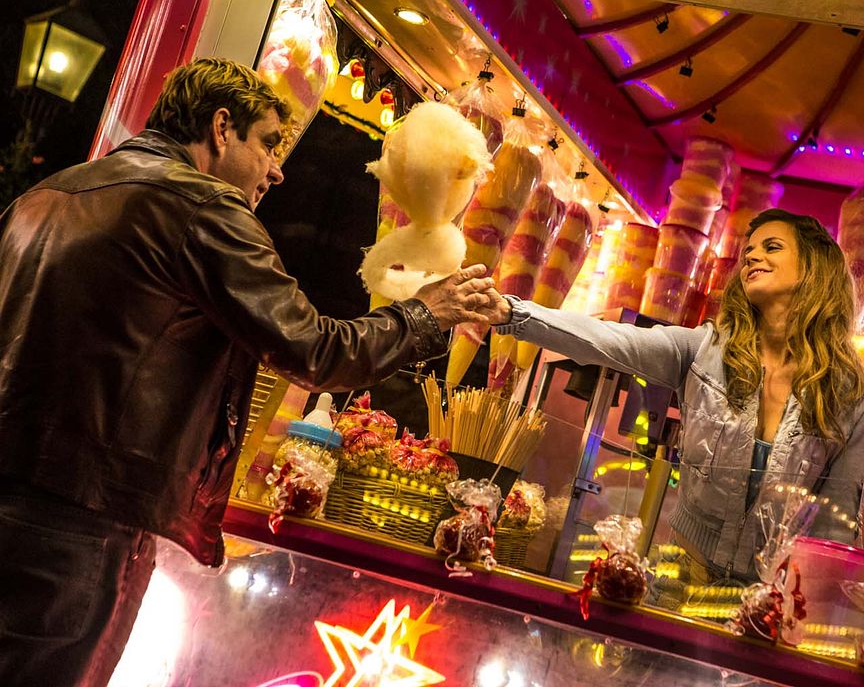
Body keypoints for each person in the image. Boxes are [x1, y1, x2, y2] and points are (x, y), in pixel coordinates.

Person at [0, 58, 501, 685]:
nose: (277, 168)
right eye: (267, 144)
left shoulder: (44, 196)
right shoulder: (203, 209)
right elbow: (316, 350)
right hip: (79, 525)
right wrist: (427, 312)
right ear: (219, 128)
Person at [490, 209, 864, 589]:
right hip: (681, 579)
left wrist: (813, 613)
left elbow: (836, 521)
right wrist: (512, 312)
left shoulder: (852, 394)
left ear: (815, 267)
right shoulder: (704, 351)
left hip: (771, 598)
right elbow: (611, 341)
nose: (753, 257)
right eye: (749, 252)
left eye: (772, 247)